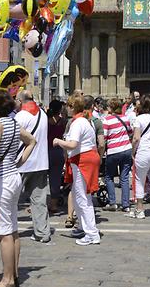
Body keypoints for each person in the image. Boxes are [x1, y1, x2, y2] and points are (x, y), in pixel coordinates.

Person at [0, 89, 36, 287]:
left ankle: (6, 279)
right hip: (13, 176)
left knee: (4, 231)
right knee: (13, 228)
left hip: (1, 179)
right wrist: (19, 162)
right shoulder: (14, 123)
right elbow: (32, 141)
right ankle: (13, 274)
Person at [52, 93, 101, 245]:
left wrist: (58, 141)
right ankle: (83, 227)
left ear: (73, 107)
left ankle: (91, 234)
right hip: (85, 159)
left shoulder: (78, 123)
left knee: (82, 198)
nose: (66, 108)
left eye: (68, 105)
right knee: (79, 195)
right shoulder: (84, 121)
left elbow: (72, 144)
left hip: (83, 161)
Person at [15, 90, 51, 243]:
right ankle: (42, 233)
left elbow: (14, 140)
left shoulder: (20, 116)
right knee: (39, 200)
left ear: (20, 100)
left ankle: (7, 232)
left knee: (10, 200)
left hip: (22, 163)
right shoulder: (42, 114)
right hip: (41, 162)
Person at [102, 98, 133, 212]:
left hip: (113, 151)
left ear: (110, 108)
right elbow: (130, 132)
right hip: (126, 150)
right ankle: (126, 205)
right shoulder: (125, 118)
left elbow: (104, 138)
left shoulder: (107, 120)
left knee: (109, 177)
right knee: (124, 177)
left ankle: (112, 202)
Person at [46, 99, 67, 215]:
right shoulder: (63, 121)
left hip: (45, 151)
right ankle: (54, 205)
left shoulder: (45, 121)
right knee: (56, 179)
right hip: (58, 151)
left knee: (41, 179)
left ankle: (40, 203)